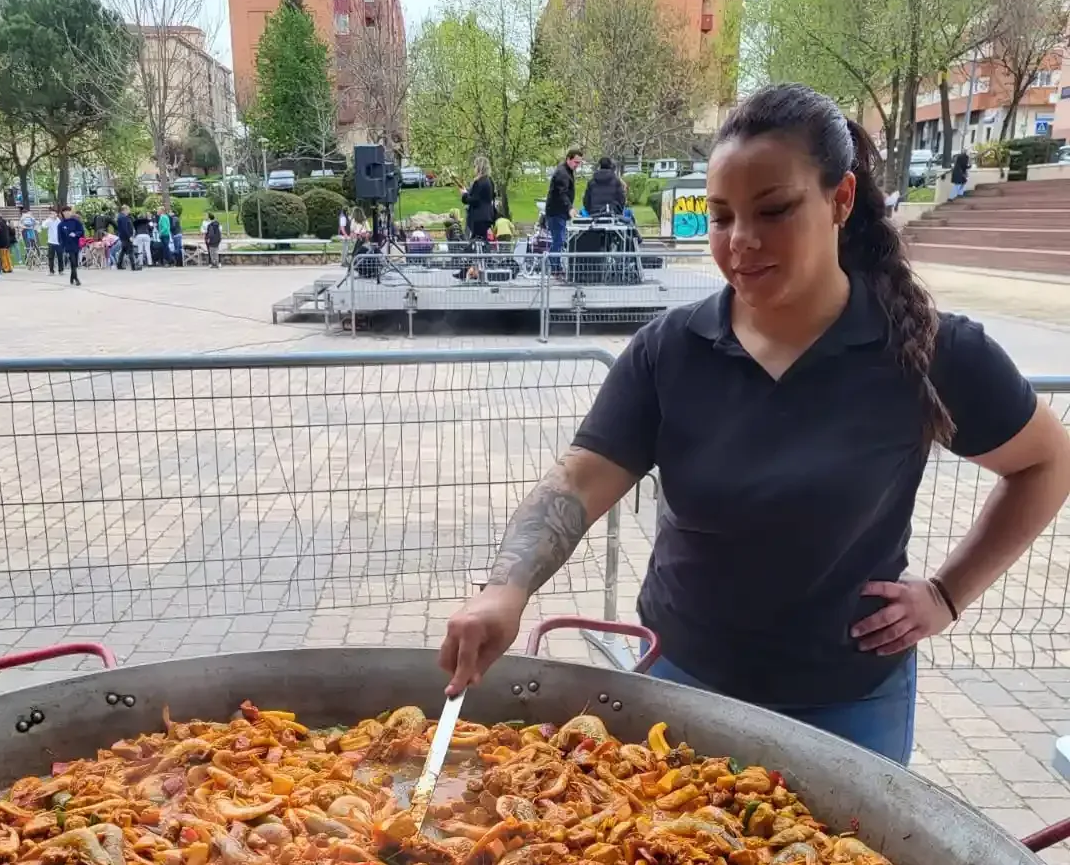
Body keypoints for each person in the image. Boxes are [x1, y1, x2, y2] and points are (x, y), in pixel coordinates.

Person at [440, 83, 1070, 765]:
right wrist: (505, 590)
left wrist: (948, 595)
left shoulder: (927, 349)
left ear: (842, 200)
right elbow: (578, 482)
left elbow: (1047, 462)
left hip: (849, 710)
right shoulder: (670, 349)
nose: (741, 242)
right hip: (682, 693)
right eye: (720, 216)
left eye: (773, 211)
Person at [544, 148, 582, 275]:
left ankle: (555, 265)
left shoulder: (566, 171)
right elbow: (562, 193)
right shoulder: (563, 173)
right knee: (558, 240)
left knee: (558, 240)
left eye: (579, 163)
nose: (577, 165)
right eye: (576, 162)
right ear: (568, 159)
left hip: (558, 211)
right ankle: (555, 267)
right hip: (556, 212)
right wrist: (569, 208)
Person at [461, 157, 496, 243]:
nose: (474, 169)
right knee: (483, 240)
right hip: (488, 215)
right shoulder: (490, 181)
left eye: (475, 166)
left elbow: (475, 200)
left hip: (478, 217)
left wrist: (465, 195)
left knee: (476, 242)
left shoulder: (478, 182)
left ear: (479, 167)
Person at [58, 205, 85, 286]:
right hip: (68, 246)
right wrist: (62, 247)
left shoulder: (76, 221)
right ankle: (76, 279)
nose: (67, 213)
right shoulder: (61, 225)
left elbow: (81, 232)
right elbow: (60, 237)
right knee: (73, 261)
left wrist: (76, 234)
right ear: (63, 213)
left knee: (75, 263)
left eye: (68, 212)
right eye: (65, 212)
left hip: (76, 244)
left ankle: (72, 277)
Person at [41, 208, 63, 275]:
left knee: (60, 257)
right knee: (51, 257)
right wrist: (48, 220)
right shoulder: (48, 221)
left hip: (58, 242)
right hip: (51, 242)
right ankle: (51, 271)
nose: (52, 215)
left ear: (56, 214)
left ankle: (60, 270)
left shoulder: (59, 221)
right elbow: (43, 226)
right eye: (51, 213)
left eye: (54, 213)